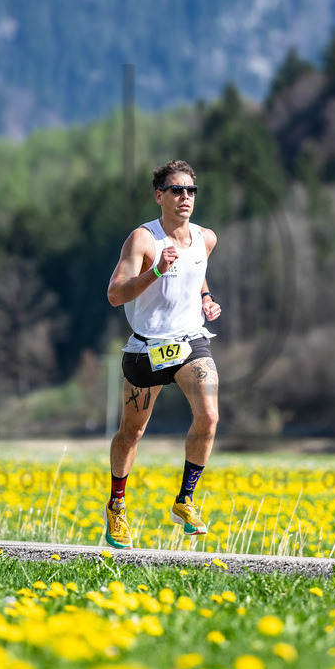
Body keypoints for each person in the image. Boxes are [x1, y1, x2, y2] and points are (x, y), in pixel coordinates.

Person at [103, 159, 222, 549]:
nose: (185, 197)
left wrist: (205, 298)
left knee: (209, 416)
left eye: (191, 190)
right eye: (176, 190)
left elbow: (196, 267)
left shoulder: (206, 238)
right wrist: (155, 272)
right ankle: (117, 506)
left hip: (189, 341)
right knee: (132, 432)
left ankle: (185, 502)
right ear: (159, 196)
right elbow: (115, 294)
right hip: (147, 348)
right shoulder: (143, 240)